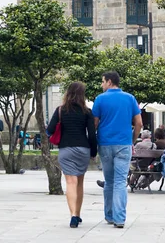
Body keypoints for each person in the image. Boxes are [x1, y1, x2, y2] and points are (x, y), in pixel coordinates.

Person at [92, 71, 142, 229]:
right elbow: (139, 123)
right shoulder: (130, 98)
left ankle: (109, 215)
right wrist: (132, 139)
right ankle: (120, 219)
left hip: (105, 143)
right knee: (121, 181)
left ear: (109, 81)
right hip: (124, 143)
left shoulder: (100, 99)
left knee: (109, 181)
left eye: (102, 81)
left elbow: (94, 123)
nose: (101, 85)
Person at [47, 82, 97, 228]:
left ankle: (73, 215)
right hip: (83, 149)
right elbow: (92, 135)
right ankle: (78, 213)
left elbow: (49, 129)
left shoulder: (60, 110)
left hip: (66, 149)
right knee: (80, 182)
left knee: (70, 182)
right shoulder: (87, 112)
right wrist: (93, 152)